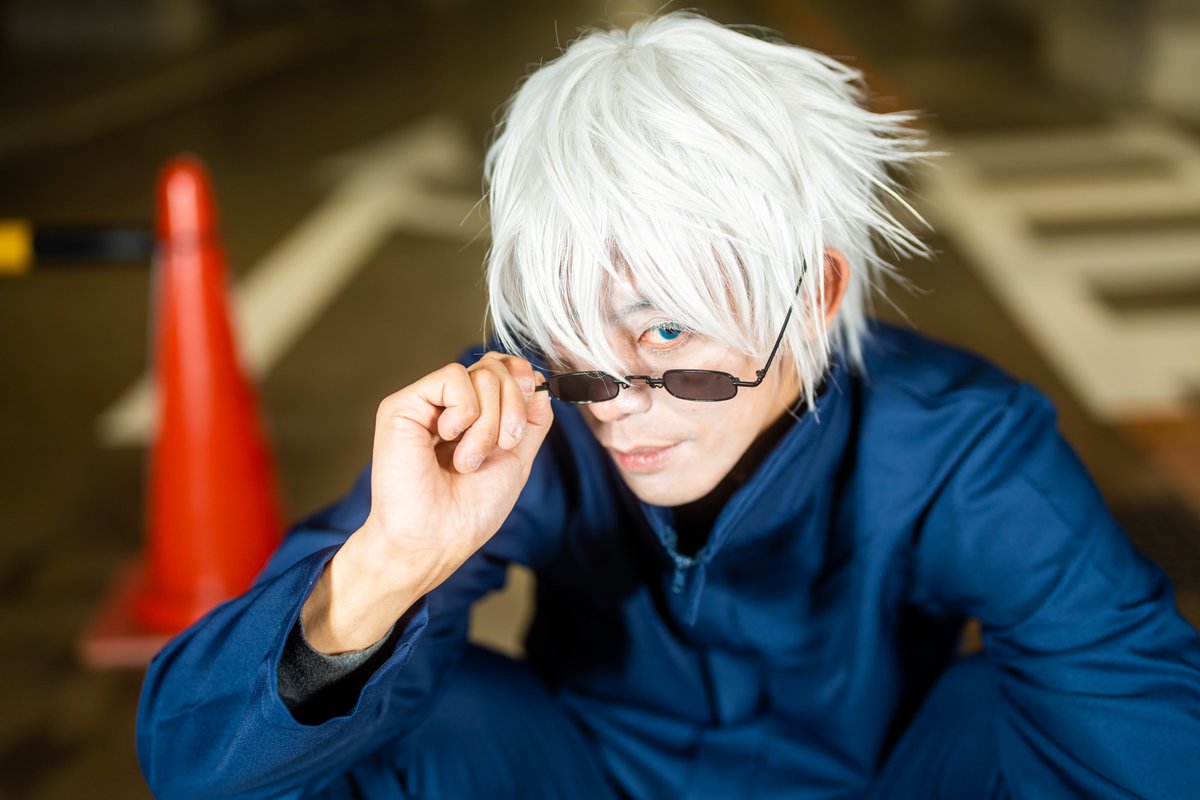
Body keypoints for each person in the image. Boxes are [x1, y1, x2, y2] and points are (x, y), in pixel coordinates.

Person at [136, 12, 1200, 799]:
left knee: (1010, 711)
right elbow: (194, 765)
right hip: (585, 777)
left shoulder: (961, 446)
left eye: (667, 332)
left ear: (814, 296)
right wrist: (388, 564)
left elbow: (1150, 727)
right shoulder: (519, 423)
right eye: (570, 329)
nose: (616, 405)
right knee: (401, 708)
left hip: (878, 781)